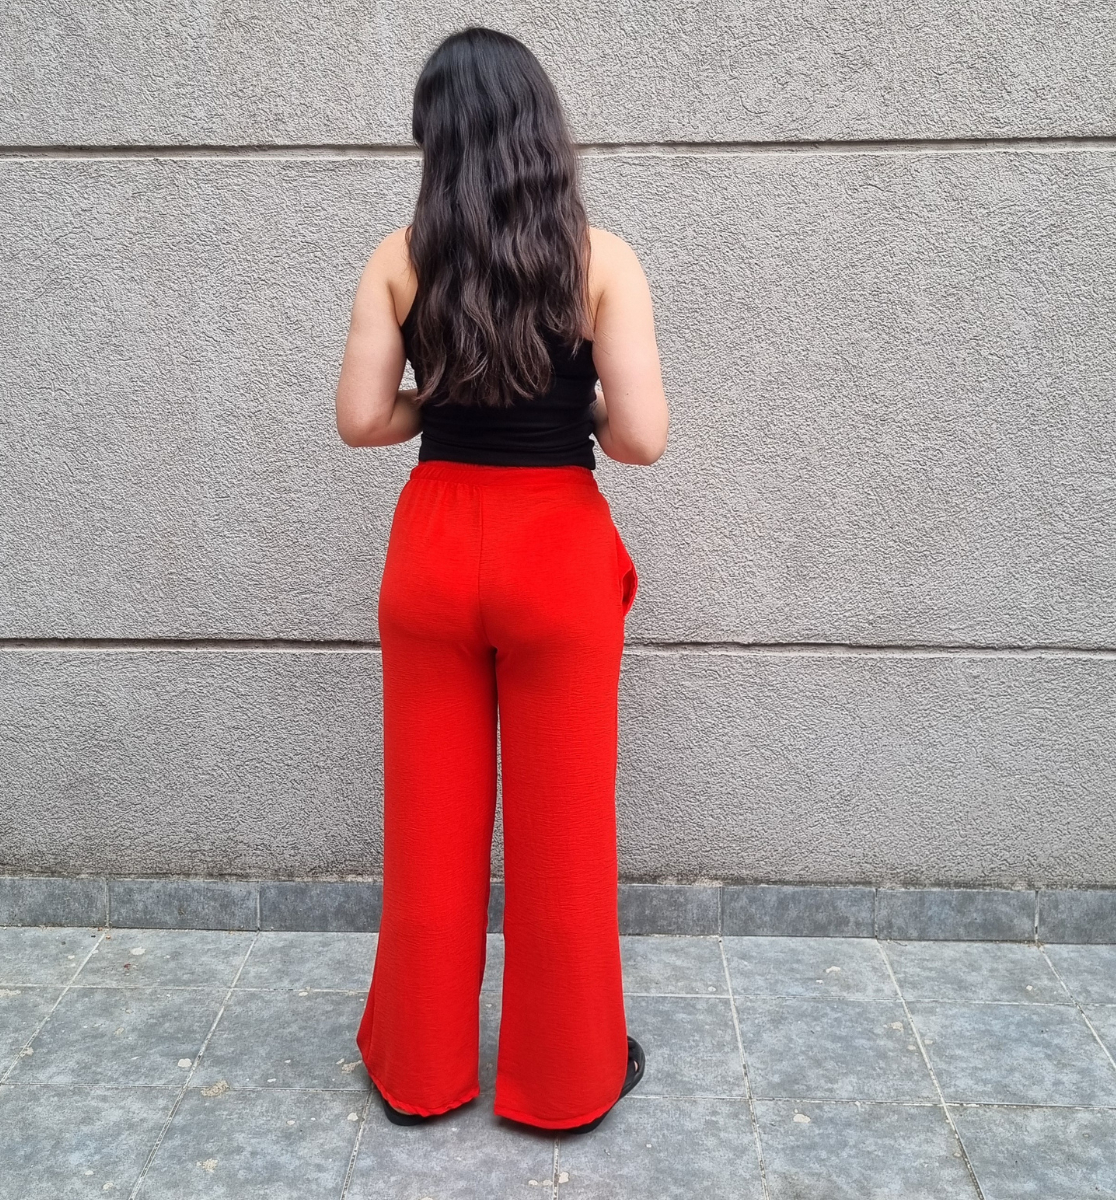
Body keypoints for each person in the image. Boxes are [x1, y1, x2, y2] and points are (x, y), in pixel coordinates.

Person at [334, 25, 669, 1134]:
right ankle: (565, 1083)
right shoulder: (601, 260)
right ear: (541, 130)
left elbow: (361, 420)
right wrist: (576, 408)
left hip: (434, 548)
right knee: (563, 834)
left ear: (436, 138)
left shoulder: (399, 259)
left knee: (429, 827)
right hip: (555, 550)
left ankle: (418, 1073)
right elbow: (642, 439)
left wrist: (443, 401)